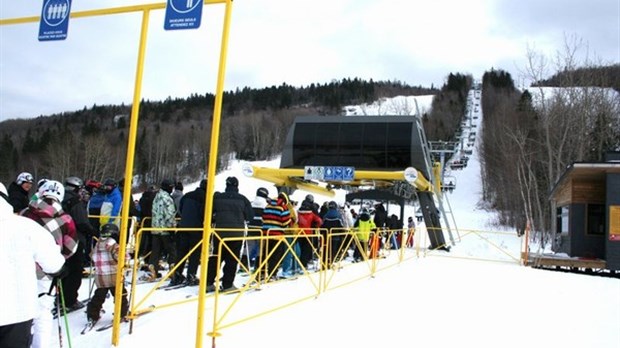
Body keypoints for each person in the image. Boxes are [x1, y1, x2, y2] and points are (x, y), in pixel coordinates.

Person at [0, 182, 66, 348]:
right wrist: (60, 270)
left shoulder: (26, 220)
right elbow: (54, 264)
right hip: (17, 312)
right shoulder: (25, 226)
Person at [19, 180, 78, 348]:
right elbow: (71, 246)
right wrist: (60, 260)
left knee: (22, 309)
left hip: (23, 268)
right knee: (43, 313)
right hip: (48, 272)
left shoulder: (25, 213)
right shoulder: (65, 219)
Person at [206, 176, 253, 292]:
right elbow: (250, 216)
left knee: (216, 258)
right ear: (237, 186)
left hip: (219, 234)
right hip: (236, 234)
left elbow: (209, 213)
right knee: (232, 260)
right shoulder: (243, 199)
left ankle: (208, 283)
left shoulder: (217, 198)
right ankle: (227, 285)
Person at [61, 176, 96, 312]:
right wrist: (92, 231)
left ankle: (61, 297)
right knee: (75, 271)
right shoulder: (74, 201)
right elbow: (81, 222)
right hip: (75, 239)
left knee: (65, 269)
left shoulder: (60, 200)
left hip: (62, 239)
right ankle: (70, 300)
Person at [85, 223, 129, 326]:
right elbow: (122, 257)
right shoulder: (114, 245)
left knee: (99, 296)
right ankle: (121, 314)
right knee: (120, 296)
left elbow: (92, 257)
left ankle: (92, 315)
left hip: (101, 278)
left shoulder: (97, 244)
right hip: (114, 277)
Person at [171, 179, 207, 286]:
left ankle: (177, 274)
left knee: (181, 252)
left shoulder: (187, 195)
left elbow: (180, 209)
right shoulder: (206, 197)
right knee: (194, 253)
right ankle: (191, 275)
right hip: (196, 228)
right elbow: (204, 213)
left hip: (183, 227)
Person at [149, 179, 177, 280]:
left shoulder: (156, 197)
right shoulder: (167, 198)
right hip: (165, 229)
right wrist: (172, 228)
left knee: (156, 251)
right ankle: (173, 270)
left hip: (155, 228)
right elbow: (169, 215)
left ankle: (152, 269)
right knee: (172, 250)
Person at [262, 191, 293, 281]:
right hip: (277, 235)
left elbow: (263, 217)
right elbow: (285, 222)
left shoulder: (268, 205)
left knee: (265, 254)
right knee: (275, 256)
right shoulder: (283, 207)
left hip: (266, 234)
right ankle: (272, 274)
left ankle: (261, 272)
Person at [243, 187, 269, 276]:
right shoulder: (266, 205)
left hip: (250, 229)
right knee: (260, 250)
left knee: (248, 248)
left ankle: (244, 265)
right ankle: (258, 267)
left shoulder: (251, 203)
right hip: (261, 230)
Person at [296, 198, 322, 271]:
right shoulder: (311, 214)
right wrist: (315, 226)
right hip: (308, 233)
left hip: (299, 233)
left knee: (299, 250)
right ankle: (303, 265)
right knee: (306, 250)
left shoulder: (298, 213)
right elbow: (319, 221)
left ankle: (297, 265)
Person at [320, 201, 344, 269]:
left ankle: (324, 263)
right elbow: (341, 226)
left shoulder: (326, 215)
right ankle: (331, 263)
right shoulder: (338, 215)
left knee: (326, 250)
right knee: (333, 250)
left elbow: (322, 225)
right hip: (336, 236)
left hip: (326, 236)